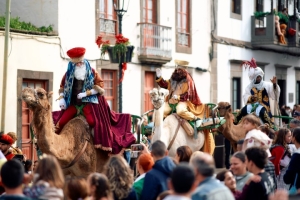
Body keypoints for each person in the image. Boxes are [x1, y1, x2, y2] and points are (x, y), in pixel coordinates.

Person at [54, 47, 135, 154]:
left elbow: (100, 87)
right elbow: (62, 87)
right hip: (73, 104)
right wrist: (62, 99)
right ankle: (56, 147)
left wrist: (86, 93)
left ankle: (95, 147)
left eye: (80, 63)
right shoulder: (68, 74)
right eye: (76, 63)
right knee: (61, 122)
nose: (79, 65)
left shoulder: (92, 72)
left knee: (94, 122)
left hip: (88, 103)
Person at [235, 58, 280, 129]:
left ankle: (271, 126)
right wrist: (250, 98)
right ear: (254, 78)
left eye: (260, 77)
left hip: (264, 105)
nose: (259, 78)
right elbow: (245, 96)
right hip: (253, 104)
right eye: (257, 77)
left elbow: (274, 94)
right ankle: (235, 124)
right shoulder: (249, 87)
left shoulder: (267, 85)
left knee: (262, 113)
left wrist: (274, 85)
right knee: (242, 110)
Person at [155, 61, 203, 127]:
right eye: (176, 67)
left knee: (180, 111)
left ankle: (195, 118)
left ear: (183, 69)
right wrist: (159, 77)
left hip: (182, 102)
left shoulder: (188, 80)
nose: (177, 70)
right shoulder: (174, 78)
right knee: (161, 111)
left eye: (178, 68)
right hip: (171, 102)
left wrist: (178, 97)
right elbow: (165, 84)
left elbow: (189, 94)